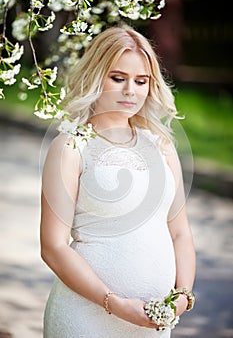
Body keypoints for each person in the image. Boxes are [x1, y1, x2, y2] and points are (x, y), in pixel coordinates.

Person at [40, 26, 196, 338]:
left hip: (151, 324)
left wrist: (182, 295)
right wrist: (114, 303)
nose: (131, 91)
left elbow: (179, 232)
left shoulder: (161, 145)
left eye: (141, 81)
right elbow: (53, 247)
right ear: (96, 77)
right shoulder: (70, 146)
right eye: (118, 78)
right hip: (85, 318)